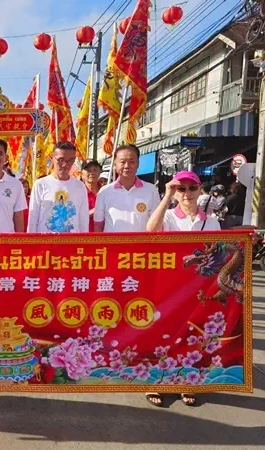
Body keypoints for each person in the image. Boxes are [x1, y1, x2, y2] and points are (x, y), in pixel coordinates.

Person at [146, 171, 220, 408]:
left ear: (199, 190)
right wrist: (167, 195)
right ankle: (155, 382)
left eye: (191, 188)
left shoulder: (212, 222)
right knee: (162, 333)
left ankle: (187, 382)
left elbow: (218, 253)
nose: (187, 193)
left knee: (193, 334)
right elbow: (151, 230)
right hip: (168, 285)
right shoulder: (168, 216)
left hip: (198, 288)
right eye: (181, 188)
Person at [94, 144, 160, 232]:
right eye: (122, 162)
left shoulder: (151, 190)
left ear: (138, 164)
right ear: (115, 164)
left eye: (131, 162)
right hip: (113, 241)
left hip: (141, 241)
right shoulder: (104, 192)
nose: (127, 166)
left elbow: (157, 223)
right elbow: (98, 225)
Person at [27, 141, 88, 233]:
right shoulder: (40, 184)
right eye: (61, 160)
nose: (65, 164)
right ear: (52, 158)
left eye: (70, 160)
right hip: (46, 241)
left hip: (72, 240)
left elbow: (84, 221)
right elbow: (33, 220)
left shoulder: (80, 186)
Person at [81, 160, 102, 231]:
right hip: (85, 234)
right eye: (88, 170)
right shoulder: (78, 193)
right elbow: (73, 216)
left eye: (95, 170)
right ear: (82, 174)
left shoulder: (106, 191)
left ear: (99, 172)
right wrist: (91, 212)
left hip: (104, 235)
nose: (92, 173)